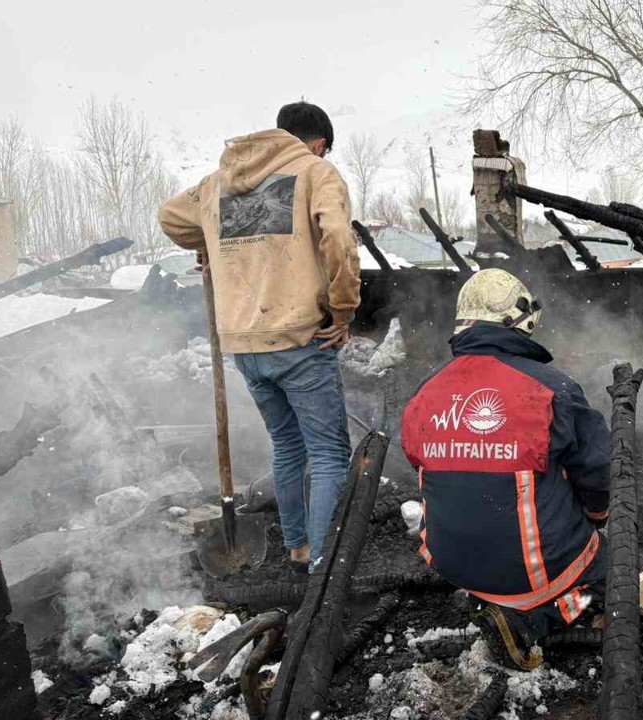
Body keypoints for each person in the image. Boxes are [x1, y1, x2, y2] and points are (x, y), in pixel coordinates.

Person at [158, 101, 360, 571]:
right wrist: (344, 310)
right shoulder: (314, 172)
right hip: (299, 339)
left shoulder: (218, 183)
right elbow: (338, 241)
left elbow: (170, 217)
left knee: (287, 446)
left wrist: (210, 240)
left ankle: (298, 548)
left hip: (245, 345)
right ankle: (325, 566)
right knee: (329, 453)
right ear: (319, 144)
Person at [399, 269, 610, 670]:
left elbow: (419, 462)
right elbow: (598, 474)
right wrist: (597, 519)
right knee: (606, 577)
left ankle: (483, 595)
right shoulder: (552, 389)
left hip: (449, 563)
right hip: (531, 574)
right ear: (522, 323)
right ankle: (534, 623)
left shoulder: (424, 392)